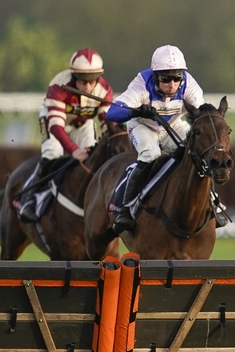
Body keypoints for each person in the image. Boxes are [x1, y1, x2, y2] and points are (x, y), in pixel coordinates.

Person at [105, 45, 204, 234]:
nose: (172, 84)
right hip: (142, 126)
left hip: (174, 126)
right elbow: (112, 113)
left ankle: (213, 203)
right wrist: (136, 110)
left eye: (177, 77)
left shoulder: (189, 85)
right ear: (155, 75)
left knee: (198, 150)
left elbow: (201, 114)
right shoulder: (142, 82)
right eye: (166, 78)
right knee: (151, 154)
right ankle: (125, 208)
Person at [18, 48, 114, 223]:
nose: (88, 87)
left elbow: (107, 125)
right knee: (52, 153)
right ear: (73, 77)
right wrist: (73, 150)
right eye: (83, 81)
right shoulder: (58, 86)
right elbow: (56, 126)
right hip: (53, 123)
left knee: (92, 158)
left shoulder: (104, 90)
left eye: (93, 81)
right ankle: (29, 200)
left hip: (82, 124)